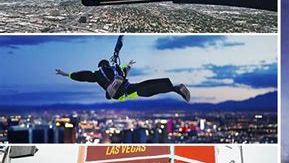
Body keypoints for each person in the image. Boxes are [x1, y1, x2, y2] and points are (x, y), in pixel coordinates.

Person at [55, 60, 190, 102]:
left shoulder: (96, 74)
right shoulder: (116, 69)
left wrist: (66, 74)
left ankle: (114, 86)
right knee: (146, 88)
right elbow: (125, 70)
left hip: (118, 92)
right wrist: (128, 67)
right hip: (127, 88)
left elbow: (82, 76)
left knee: (109, 95)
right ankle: (174, 88)